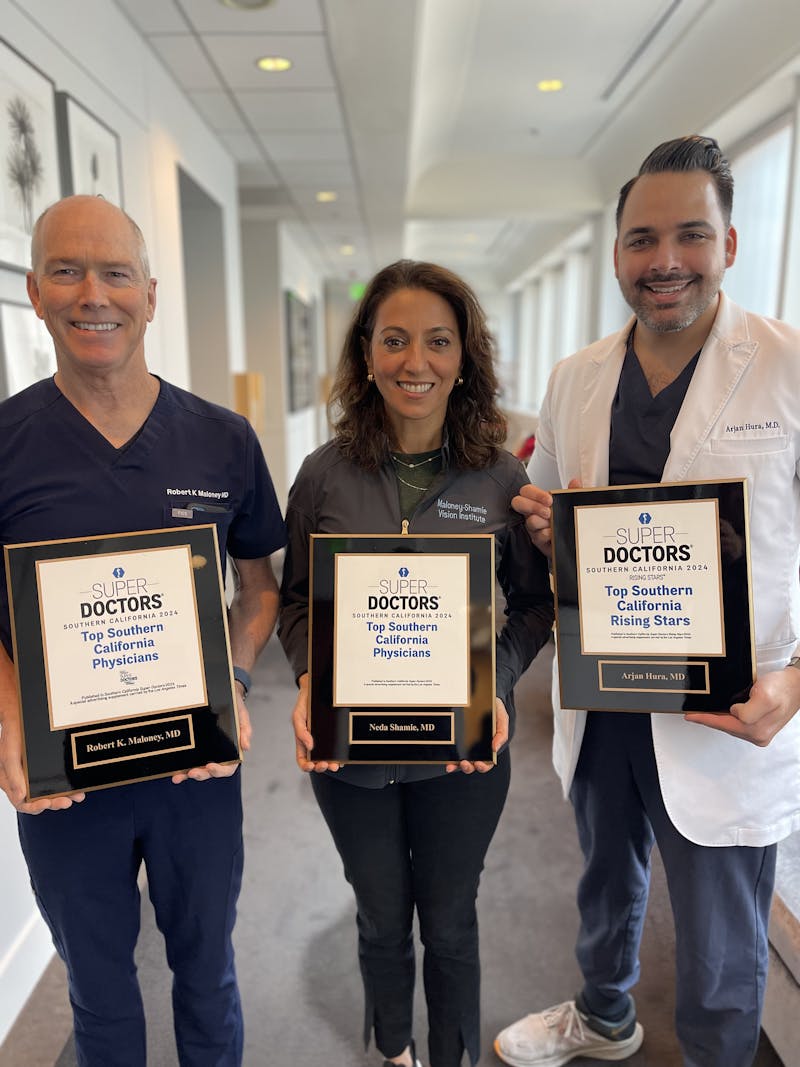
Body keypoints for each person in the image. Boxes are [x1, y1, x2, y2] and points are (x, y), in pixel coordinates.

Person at [493, 135, 800, 1067]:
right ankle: (603, 1015)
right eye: (641, 239)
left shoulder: (789, 368)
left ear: (730, 244)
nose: (665, 260)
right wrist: (550, 530)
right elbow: (549, 509)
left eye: (690, 235)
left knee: (719, 940)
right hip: (606, 691)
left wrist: (796, 681)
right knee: (604, 878)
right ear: (618, 252)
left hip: (727, 710)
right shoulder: (577, 375)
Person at [0, 195, 286, 1066]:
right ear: (36, 292)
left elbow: (259, 590)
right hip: (66, 784)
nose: (94, 294)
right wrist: (8, 707)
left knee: (207, 973)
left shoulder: (223, 440)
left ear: (150, 296)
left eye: (116, 273)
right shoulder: (6, 443)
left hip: (192, 772)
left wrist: (233, 677)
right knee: (98, 990)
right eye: (66, 270)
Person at [278, 260, 554, 1067]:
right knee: (378, 918)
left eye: (438, 341)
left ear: (464, 357)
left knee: (452, 920)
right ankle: (395, 1050)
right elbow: (296, 602)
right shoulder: (324, 474)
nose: (416, 361)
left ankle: (451, 1055)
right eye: (394, 340)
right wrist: (309, 677)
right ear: (367, 354)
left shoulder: (500, 477)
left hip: (461, 751)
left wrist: (496, 679)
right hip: (352, 755)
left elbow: (534, 604)